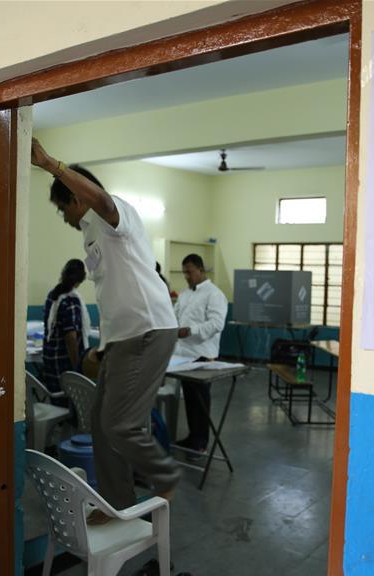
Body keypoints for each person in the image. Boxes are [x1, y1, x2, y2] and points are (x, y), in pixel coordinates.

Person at [30, 138, 180, 518]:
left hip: (148, 330)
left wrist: (51, 164)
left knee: (120, 425)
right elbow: (114, 292)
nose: (62, 216)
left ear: (77, 198)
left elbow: (104, 201)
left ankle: (165, 475)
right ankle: (118, 504)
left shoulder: (113, 216)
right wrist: (104, 345)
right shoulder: (90, 232)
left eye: (62, 207)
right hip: (123, 337)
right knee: (99, 422)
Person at [173, 253, 228, 453]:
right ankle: (192, 437)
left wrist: (191, 330)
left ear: (201, 270)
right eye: (184, 273)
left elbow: (216, 324)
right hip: (184, 354)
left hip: (203, 355)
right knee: (189, 399)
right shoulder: (185, 294)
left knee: (201, 401)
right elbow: (176, 316)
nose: (187, 276)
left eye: (190, 272)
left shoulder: (214, 294)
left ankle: (201, 443)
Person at [41, 259, 90, 395]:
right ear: (80, 280)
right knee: (70, 400)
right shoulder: (71, 300)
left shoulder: (53, 294)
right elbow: (71, 337)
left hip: (50, 357)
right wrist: (77, 366)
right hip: (64, 361)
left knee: (56, 400)